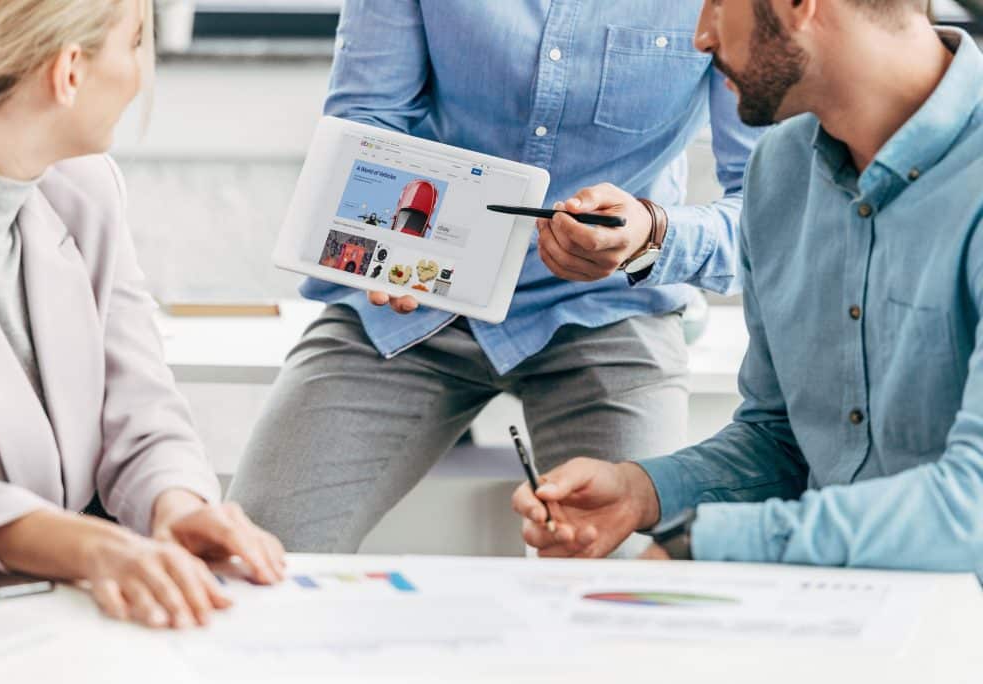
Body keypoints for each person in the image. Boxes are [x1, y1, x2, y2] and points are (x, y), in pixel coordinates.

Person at [228, 0, 763, 552]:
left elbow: (771, 203)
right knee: (251, 553)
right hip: (416, 301)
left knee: (621, 581)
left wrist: (654, 234)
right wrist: (379, 231)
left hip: (607, 312)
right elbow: (367, 124)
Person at [513, 0, 983, 577]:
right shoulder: (778, 172)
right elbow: (783, 442)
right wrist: (641, 491)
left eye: (714, 2)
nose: (701, 37)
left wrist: (707, 542)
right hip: (833, 618)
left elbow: (973, 508)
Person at [0, 0, 286, 629]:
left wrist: (176, 502)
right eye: (135, 41)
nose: (141, 74)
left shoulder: (84, 189)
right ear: (69, 72)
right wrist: (87, 546)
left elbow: (141, 403)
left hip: (37, 612)